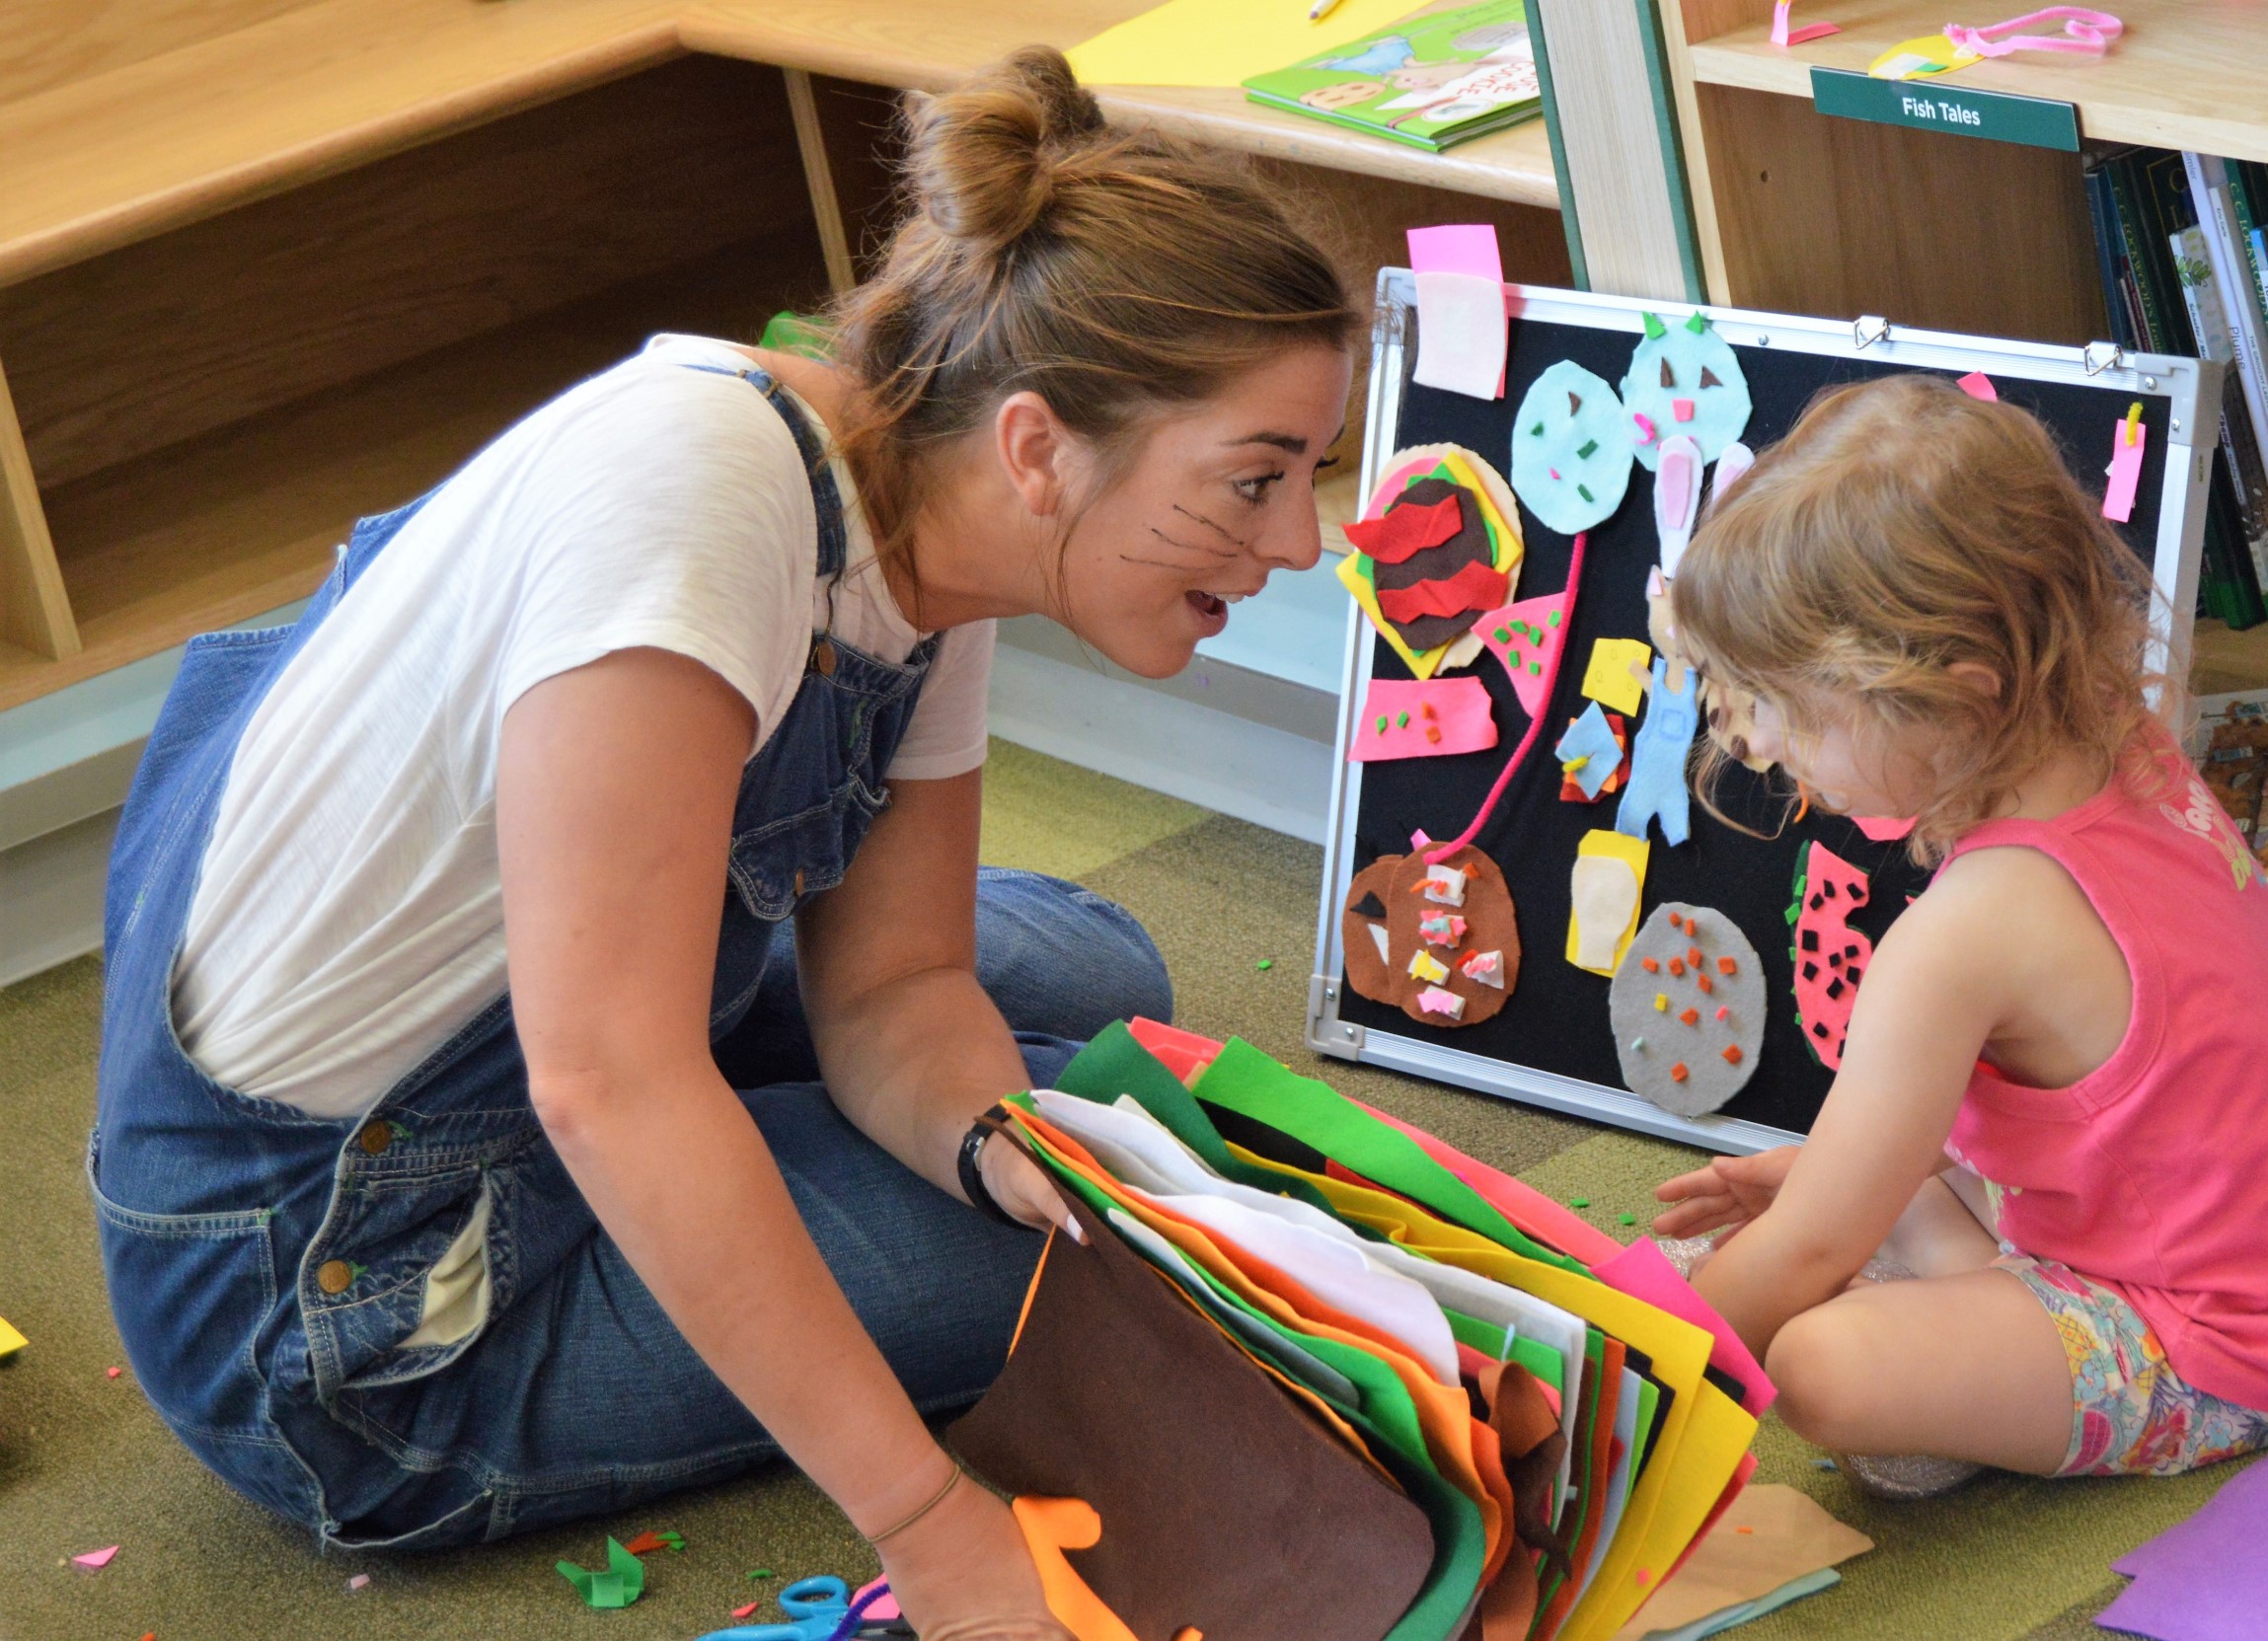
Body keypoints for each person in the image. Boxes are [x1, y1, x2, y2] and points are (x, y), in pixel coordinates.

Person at [90, 46, 1357, 1637]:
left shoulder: (922, 497)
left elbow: (897, 983)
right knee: (1102, 1269)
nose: (1300, 539)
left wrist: (990, 1140)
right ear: (1039, 446)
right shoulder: (695, 507)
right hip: (339, 1291)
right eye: (1256, 476)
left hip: (518, 1065)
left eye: (1304, 474)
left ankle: (832, 1154)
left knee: (1098, 990)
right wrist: (928, 1514)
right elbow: (605, 1080)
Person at [1648, 375, 2268, 1492]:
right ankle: (1925, 1245)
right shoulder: (2115, 739)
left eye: (1787, 707)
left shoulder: (1966, 930)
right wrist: (1849, 1195)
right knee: (1803, 1228)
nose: (1761, 744)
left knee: (1818, 1362)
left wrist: (1618, 1368)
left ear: (1953, 694)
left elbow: (1804, 1252)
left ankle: (1951, 1286)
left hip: (2221, 1347)